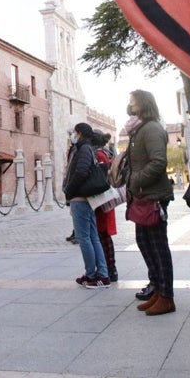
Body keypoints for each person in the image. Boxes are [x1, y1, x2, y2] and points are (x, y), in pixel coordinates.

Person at [125, 89, 175, 316]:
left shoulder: (152, 128)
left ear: (143, 103)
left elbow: (158, 161)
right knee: (144, 242)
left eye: (133, 101)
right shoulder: (139, 129)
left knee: (158, 246)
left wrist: (135, 180)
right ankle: (157, 290)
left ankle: (166, 297)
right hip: (142, 195)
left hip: (153, 196)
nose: (130, 104)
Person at [62, 122, 111, 288]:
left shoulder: (83, 149)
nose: (73, 135)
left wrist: (69, 190)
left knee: (84, 238)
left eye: (75, 132)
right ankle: (102, 274)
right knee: (92, 236)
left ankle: (93, 274)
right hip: (85, 198)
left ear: (80, 133)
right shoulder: (87, 148)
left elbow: (81, 172)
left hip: (80, 197)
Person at [93, 131, 119, 281]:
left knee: (103, 235)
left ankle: (110, 269)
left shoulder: (99, 154)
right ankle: (109, 269)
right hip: (105, 200)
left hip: (101, 201)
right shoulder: (106, 152)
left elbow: (99, 177)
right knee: (103, 235)